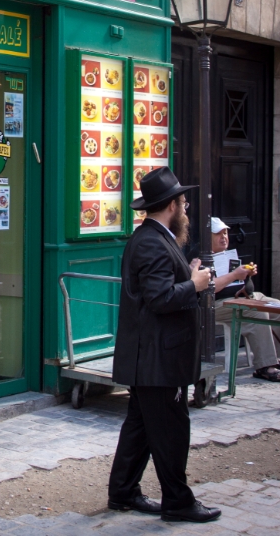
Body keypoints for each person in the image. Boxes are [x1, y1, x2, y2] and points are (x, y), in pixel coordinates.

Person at [109, 167, 221, 523]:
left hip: (151, 356)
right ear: (172, 205)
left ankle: (123, 492)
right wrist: (196, 284)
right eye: (184, 201)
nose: (186, 207)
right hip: (158, 357)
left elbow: (156, 289)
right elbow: (159, 298)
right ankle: (178, 501)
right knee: (172, 429)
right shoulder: (152, 242)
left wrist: (188, 276)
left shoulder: (154, 238)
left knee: (141, 426)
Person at [189, 218, 280, 382]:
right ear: (207, 237)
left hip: (240, 297)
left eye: (225, 233)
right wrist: (234, 275)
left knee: (277, 308)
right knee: (258, 315)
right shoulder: (199, 257)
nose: (224, 237)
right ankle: (266, 366)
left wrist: (246, 275)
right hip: (214, 305)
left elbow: (237, 284)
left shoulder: (227, 253)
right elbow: (208, 288)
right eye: (218, 234)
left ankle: (277, 358)